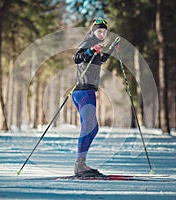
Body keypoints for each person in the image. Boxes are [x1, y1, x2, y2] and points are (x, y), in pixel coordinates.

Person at [72, 18, 119, 177]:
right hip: (83, 91)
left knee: (94, 128)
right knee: (88, 127)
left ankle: (82, 162)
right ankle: (79, 165)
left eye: (104, 32)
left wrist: (111, 48)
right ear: (93, 31)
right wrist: (91, 50)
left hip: (88, 91)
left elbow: (101, 59)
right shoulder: (88, 41)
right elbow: (77, 58)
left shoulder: (97, 44)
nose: (102, 34)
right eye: (99, 31)